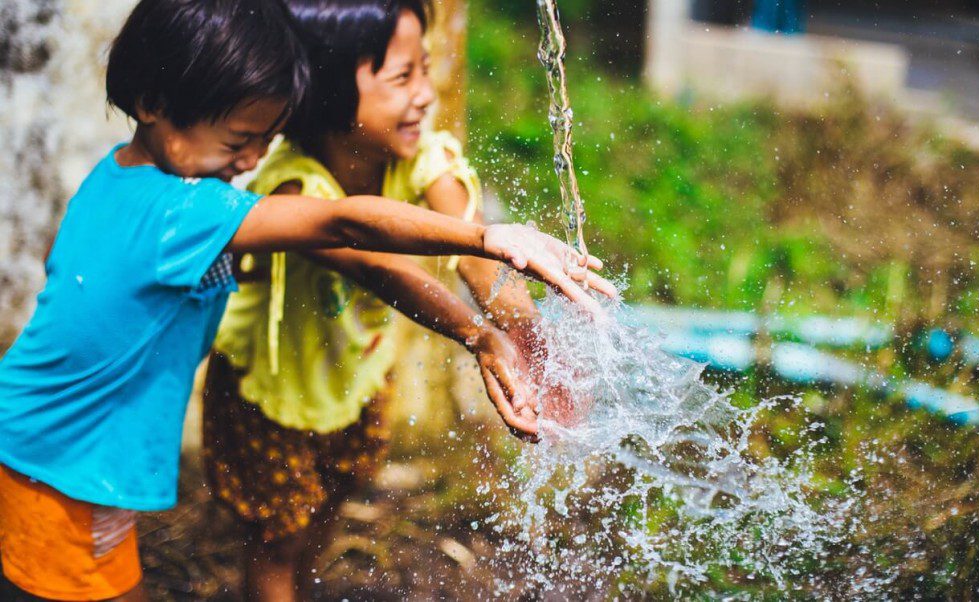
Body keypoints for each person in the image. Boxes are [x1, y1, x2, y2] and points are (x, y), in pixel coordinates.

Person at [0, 1, 613, 599]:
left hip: (54, 445)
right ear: (153, 103)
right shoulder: (181, 211)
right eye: (239, 140)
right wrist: (484, 238)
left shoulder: (121, 178)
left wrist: (505, 325)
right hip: (57, 458)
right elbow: (343, 223)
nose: (250, 161)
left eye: (264, 140)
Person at [201, 2, 581, 599]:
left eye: (425, 69)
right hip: (269, 389)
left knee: (330, 503)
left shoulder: (423, 156)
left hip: (359, 373)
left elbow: (479, 256)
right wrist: (478, 335)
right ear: (327, 89)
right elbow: (381, 268)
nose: (426, 95)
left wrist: (531, 340)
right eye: (403, 77)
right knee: (277, 539)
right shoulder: (294, 187)